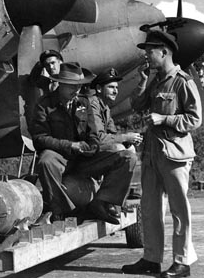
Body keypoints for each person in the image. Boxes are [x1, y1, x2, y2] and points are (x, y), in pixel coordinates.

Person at [122, 29, 201, 278]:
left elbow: (194, 118)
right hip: (153, 154)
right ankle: (151, 258)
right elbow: (136, 105)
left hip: (174, 155)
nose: (146, 55)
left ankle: (182, 261)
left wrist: (164, 118)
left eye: (149, 51)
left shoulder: (182, 81)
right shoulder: (155, 80)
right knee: (150, 208)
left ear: (164, 52)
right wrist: (143, 81)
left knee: (179, 210)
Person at [31, 62, 136, 223]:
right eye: (72, 86)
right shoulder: (44, 105)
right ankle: (60, 209)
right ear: (61, 84)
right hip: (61, 157)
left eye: (79, 86)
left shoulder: (84, 103)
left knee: (127, 157)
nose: (76, 90)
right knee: (46, 161)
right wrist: (69, 145)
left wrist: (90, 148)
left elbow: (95, 135)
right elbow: (39, 138)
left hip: (85, 158)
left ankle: (103, 201)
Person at [88, 68, 143, 152]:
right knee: (118, 149)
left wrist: (129, 140)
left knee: (130, 148)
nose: (115, 91)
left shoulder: (105, 107)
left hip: (97, 147)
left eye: (116, 88)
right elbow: (98, 138)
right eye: (111, 87)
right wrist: (125, 137)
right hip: (87, 149)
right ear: (99, 88)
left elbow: (113, 134)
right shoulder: (92, 105)